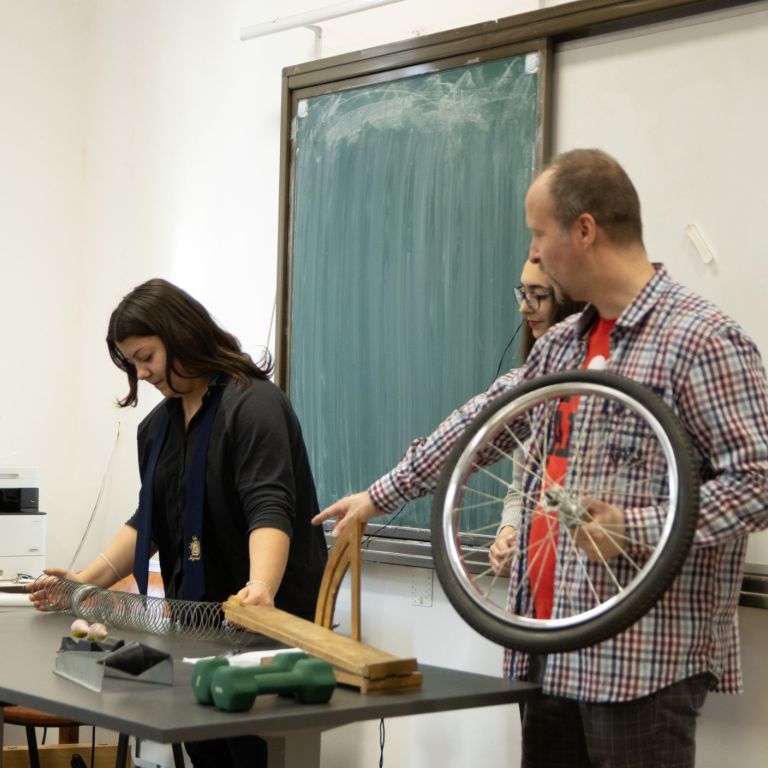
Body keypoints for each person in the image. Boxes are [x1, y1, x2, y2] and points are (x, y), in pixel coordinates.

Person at [313, 149, 768, 767]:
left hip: (639, 662)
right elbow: (480, 427)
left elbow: (756, 484)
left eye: (538, 234)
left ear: (584, 230)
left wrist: (634, 527)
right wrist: (378, 496)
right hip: (543, 648)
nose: (534, 253)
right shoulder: (563, 345)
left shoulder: (702, 339)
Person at [30, 278, 328, 768]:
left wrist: (261, 589)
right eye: (132, 364)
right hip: (195, 632)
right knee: (207, 755)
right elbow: (149, 522)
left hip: (268, 631)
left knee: (260, 755)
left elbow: (270, 506)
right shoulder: (157, 429)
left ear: (181, 334)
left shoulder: (253, 406)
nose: (142, 373)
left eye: (146, 356)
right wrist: (84, 582)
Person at [489, 261, 583, 577]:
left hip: (582, 577)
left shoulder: (601, 389)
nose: (524, 307)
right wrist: (508, 534)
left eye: (538, 295)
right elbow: (521, 488)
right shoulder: (527, 387)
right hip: (534, 584)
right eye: (523, 293)